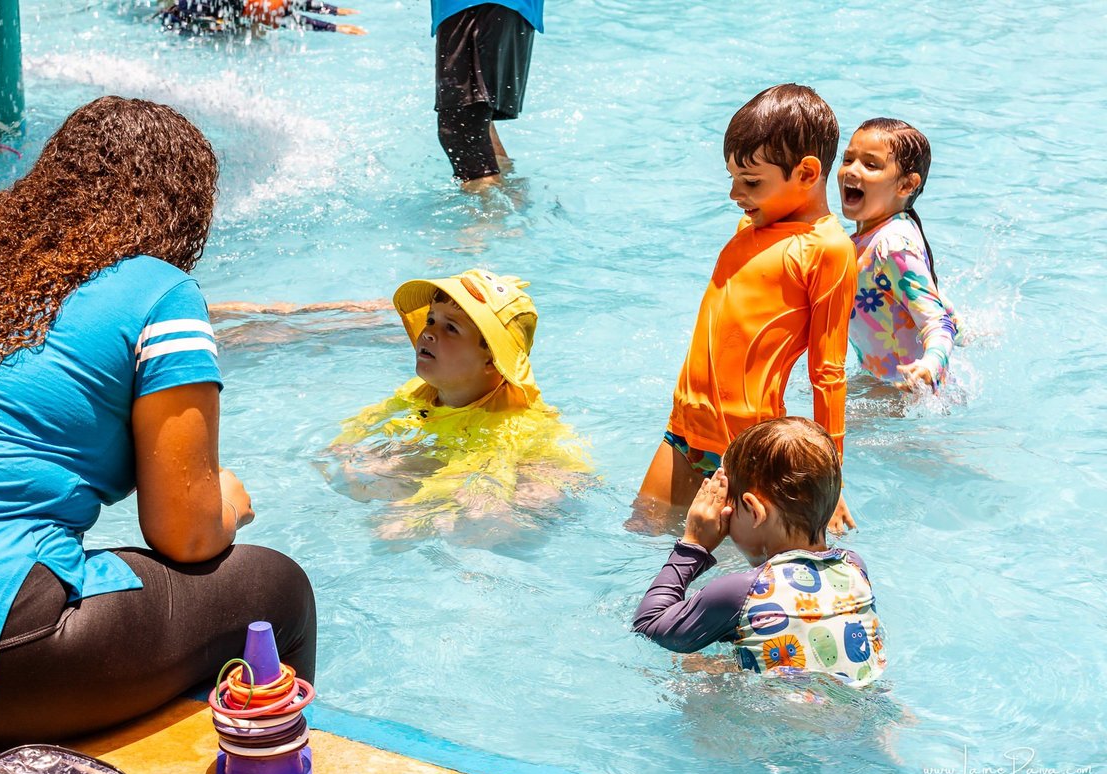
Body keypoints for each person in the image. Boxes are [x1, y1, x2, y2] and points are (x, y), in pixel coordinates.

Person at [0, 97, 315, 747]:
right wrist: (228, 504)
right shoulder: (159, 291)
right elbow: (183, 533)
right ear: (182, 216)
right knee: (277, 589)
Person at [634, 84, 857, 533]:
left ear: (808, 173)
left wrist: (831, 481)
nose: (736, 194)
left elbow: (827, 373)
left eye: (751, 182)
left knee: (737, 571)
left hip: (747, 449)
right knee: (642, 534)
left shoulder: (828, 249)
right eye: (734, 178)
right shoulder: (749, 226)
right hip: (683, 425)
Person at [327, 268, 591, 536]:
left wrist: (417, 509)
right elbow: (373, 418)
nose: (429, 333)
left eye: (450, 328)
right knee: (359, 468)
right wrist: (347, 443)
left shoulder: (508, 423)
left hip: (533, 471)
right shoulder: (422, 389)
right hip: (461, 453)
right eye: (430, 320)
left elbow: (485, 474)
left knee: (487, 514)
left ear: (491, 359)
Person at [633, 417, 886, 687]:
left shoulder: (741, 593)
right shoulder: (855, 569)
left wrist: (693, 546)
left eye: (727, 503)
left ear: (753, 511)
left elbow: (648, 624)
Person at [838, 118, 962, 391]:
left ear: (906, 185)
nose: (851, 171)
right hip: (884, 385)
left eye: (870, 164)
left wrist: (930, 365)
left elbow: (937, 321)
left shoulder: (892, 246)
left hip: (908, 396)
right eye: (847, 160)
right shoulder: (869, 239)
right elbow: (930, 299)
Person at [432, 2, 543, 189]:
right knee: (475, 122)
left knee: (462, 128)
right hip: (491, 9)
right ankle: (511, 202)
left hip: (476, 7)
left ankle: (491, 216)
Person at [160, 0, 366, 35]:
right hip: (177, 21)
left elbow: (290, 12)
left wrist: (334, 12)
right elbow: (288, 16)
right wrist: (333, 23)